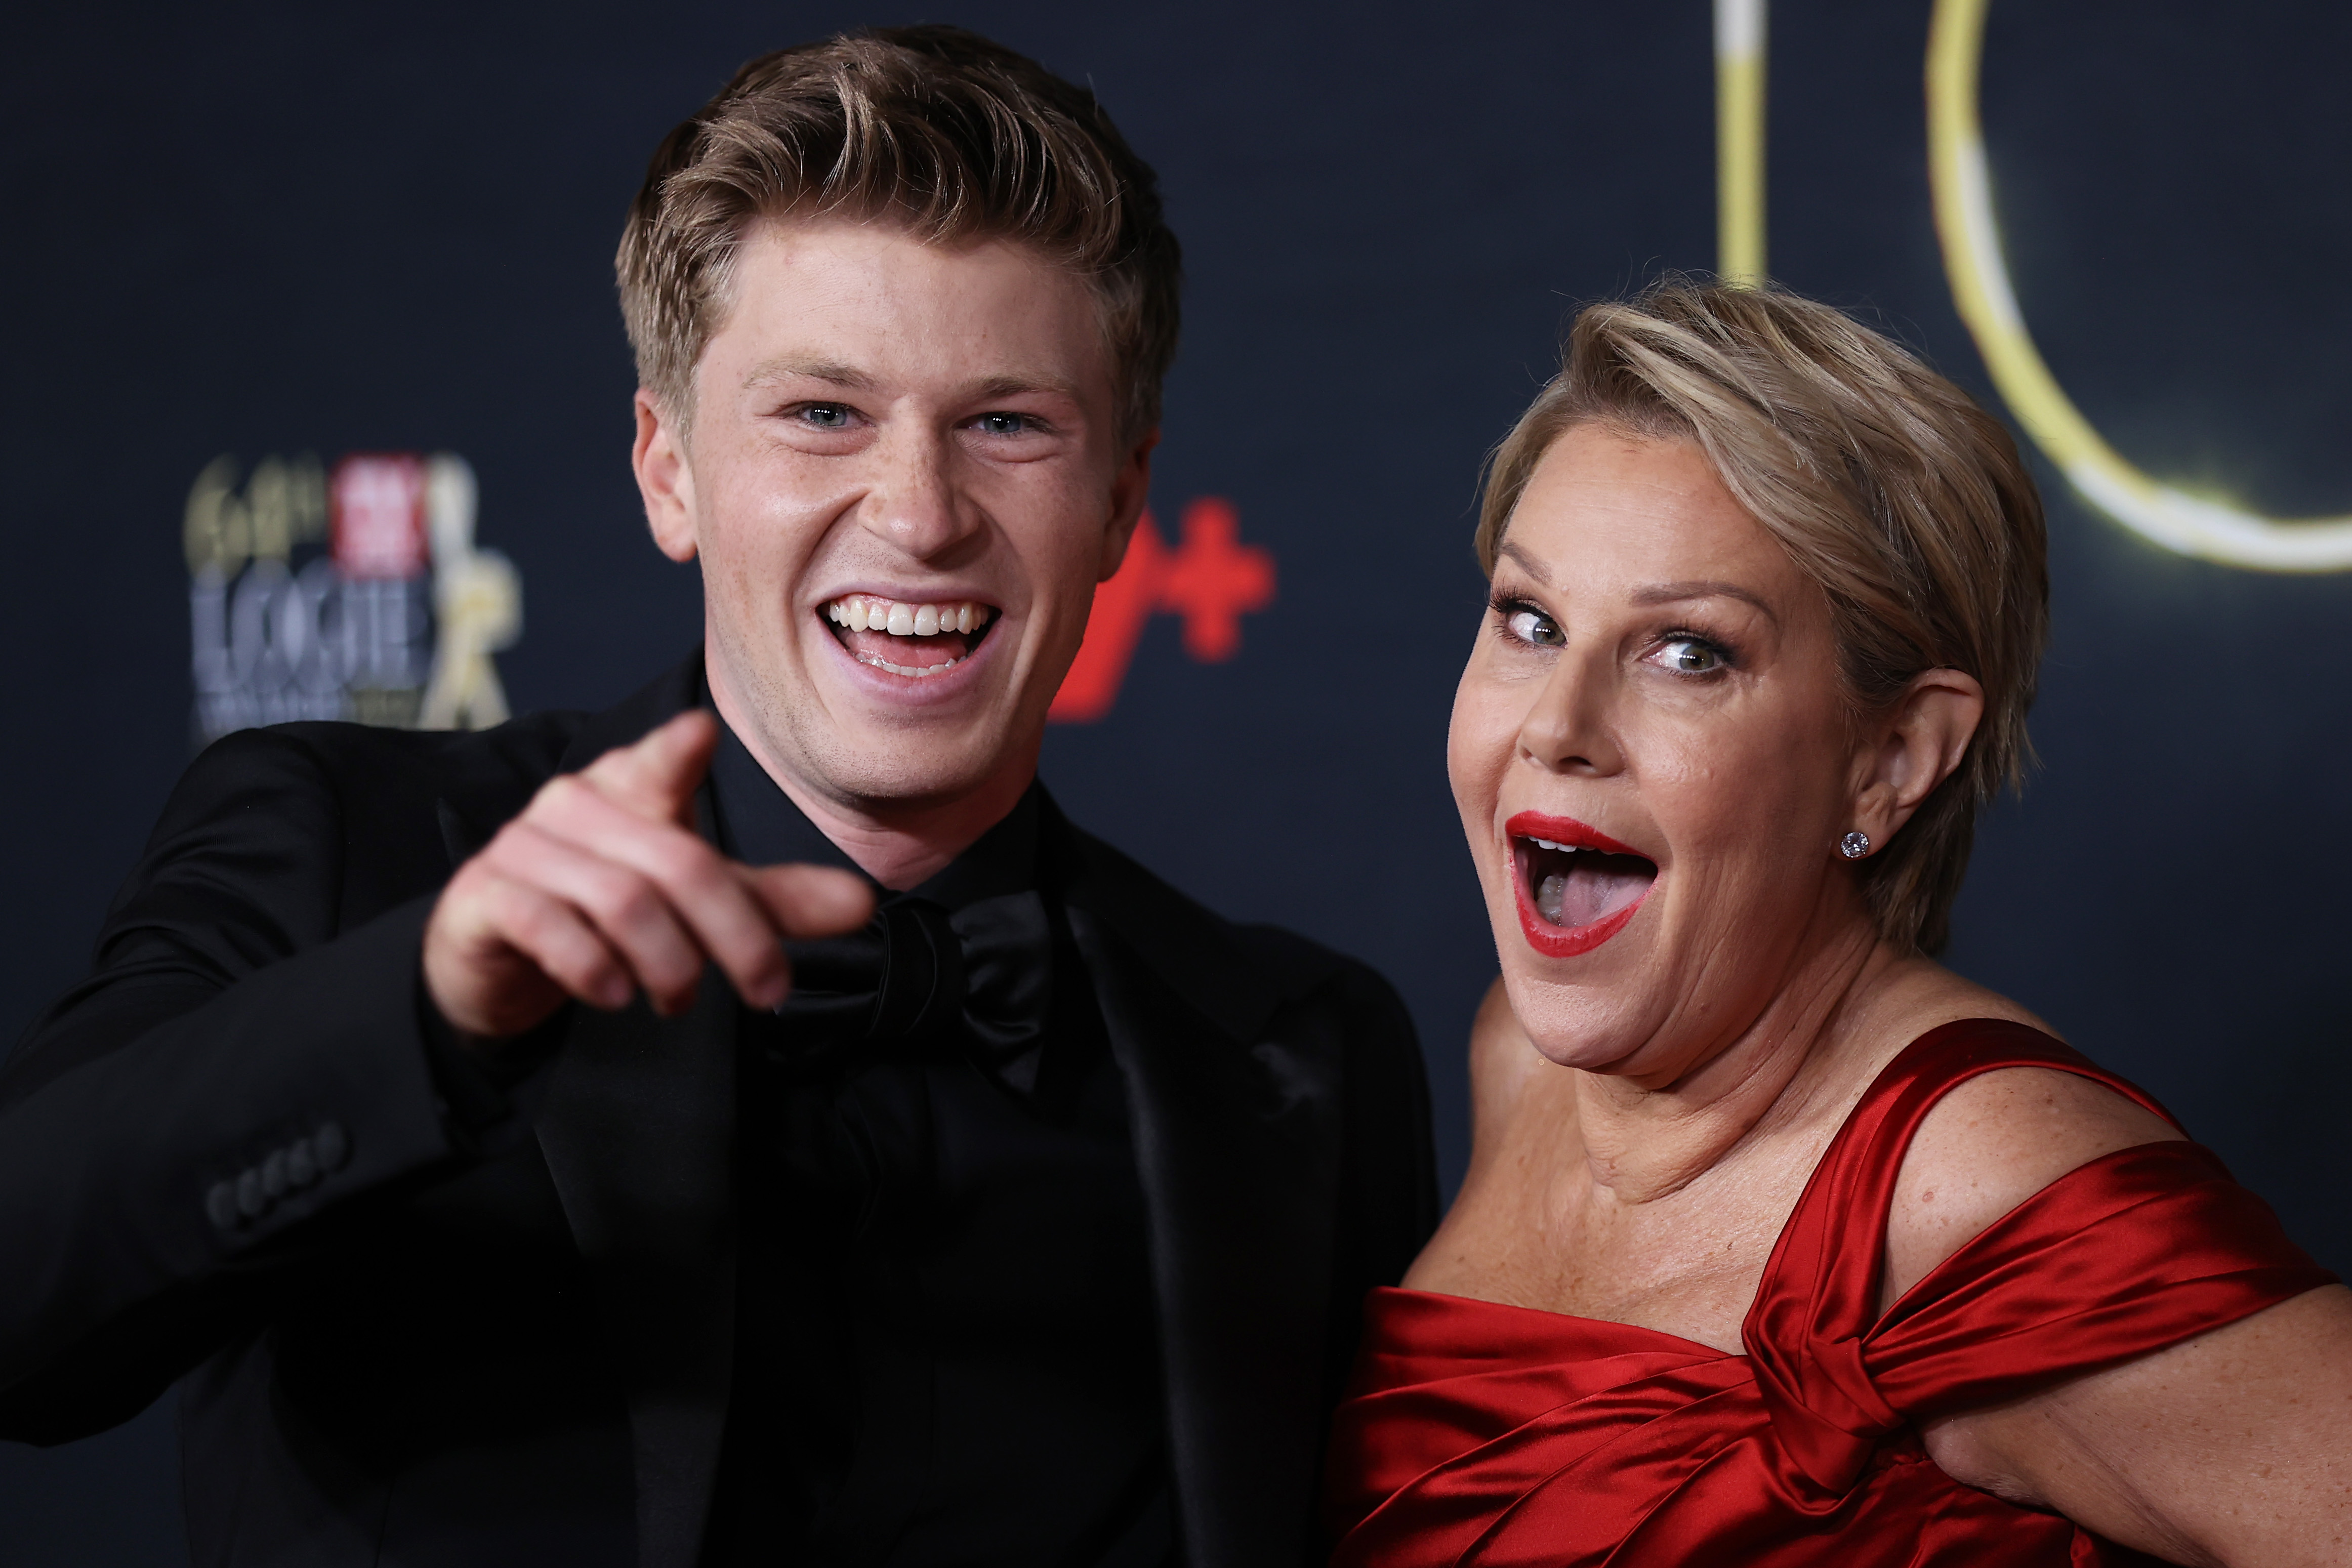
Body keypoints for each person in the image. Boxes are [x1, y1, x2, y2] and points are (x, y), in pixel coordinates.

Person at [0, 27, 1436, 1568]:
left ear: (1123, 502)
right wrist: (420, 1015)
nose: (920, 513)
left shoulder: (1300, 1053)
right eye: (821, 413)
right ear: (667, 468)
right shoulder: (342, 848)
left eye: (1007, 423)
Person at [1324, 282, 2352, 1566]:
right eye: (1528, 622)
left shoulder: (1970, 1181)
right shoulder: (1518, 1057)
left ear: (1889, 758)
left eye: (1687, 652)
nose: (1555, 725)